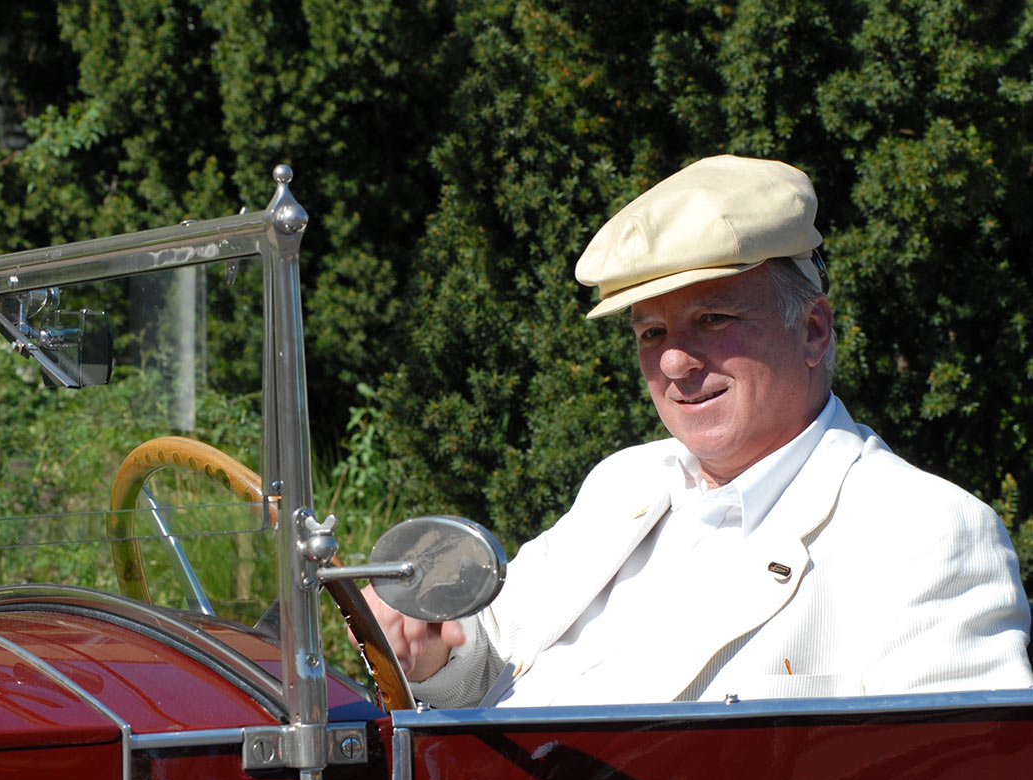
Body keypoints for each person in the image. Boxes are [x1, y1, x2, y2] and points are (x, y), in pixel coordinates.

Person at [366, 154, 1033, 709]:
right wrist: (427, 655)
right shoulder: (626, 482)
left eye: (712, 319)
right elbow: (488, 665)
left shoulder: (924, 532)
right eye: (651, 333)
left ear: (813, 330)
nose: (675, 361)